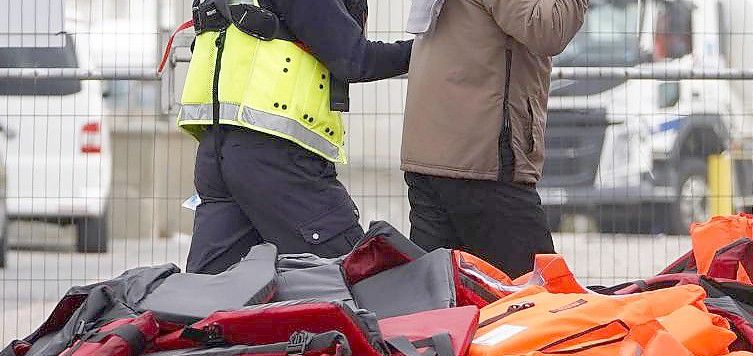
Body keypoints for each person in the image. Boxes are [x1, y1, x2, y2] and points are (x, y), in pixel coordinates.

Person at [178, 0, 412, 274]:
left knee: (211, 292)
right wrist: (431, 51)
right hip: (277, 153)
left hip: (218, 151)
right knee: (354, 274)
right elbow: (355, 60)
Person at [401, 0, 588, 278]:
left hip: (435, 156)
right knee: (539, 294)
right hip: (481, 159)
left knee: (441, 301)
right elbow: (547, 29)